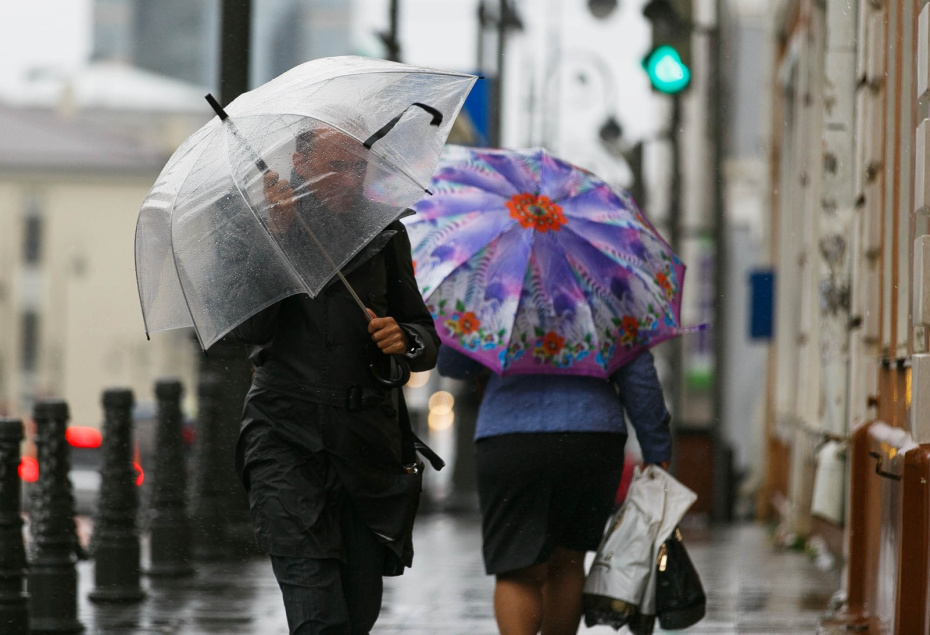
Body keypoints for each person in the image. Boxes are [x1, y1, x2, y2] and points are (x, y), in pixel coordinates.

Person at [233, 127, 440, 634]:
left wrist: (403, 338)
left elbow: (425, 337)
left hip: (366, 444)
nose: (350, 180)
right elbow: (248, 331)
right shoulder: (262, 231)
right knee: (316, 611)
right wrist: (276, 240)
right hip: (285, 436)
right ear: (301, 164)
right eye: (337, 167)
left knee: (358, 607)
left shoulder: (386, 233)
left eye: (359, 168)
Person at [437, 347, 672, 635]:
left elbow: (453, 362)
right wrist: (656, 444)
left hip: (511, 433)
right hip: (592, 434)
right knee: (568, 562)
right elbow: (637, 372)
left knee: (518, 567)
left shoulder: (492, 301)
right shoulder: (614, 300)